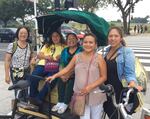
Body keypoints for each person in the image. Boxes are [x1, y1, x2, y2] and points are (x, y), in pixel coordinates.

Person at [46, 33, 107, 119]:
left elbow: (104, 77)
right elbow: (66, 69)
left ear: (95, 44)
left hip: (95, 95)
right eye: (85, 42)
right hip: (80, 95)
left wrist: (90, 87)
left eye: (91, 42)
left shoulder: (99, 58)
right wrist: (55, 76)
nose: (88, 44)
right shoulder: (77, 57)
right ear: (82, 43)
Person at [103, 26, 139, 119]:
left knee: (118, 115)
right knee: (110, 113)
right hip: (107, 90)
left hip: (119, 92)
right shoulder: (106, 51)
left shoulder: (127, 52)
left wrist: (132, 83)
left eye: (116, 36)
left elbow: (130, 73)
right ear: (108, 38)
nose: (113, 38)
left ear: (121, 38)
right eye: (111, 36)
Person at [29, 31, 65, 104]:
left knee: (50, 80)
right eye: (53, 36)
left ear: (60, 37)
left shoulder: (64, 46)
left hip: (54, 67)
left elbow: (67, 56)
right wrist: (46, 57)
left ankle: (39, 98)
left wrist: (61, 57)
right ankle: (32, 97)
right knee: (33, 77)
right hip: (42, 65)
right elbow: (39, 55)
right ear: (51, 38)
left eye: (57, 36)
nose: (55, 38)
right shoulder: (47, 45)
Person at [51, 33, 83, 114]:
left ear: (77, 40)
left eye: (73, 38)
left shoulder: (81, 50)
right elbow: (61, 64)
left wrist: (69, 74)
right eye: (69, 39)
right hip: (65, 71)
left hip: (77, 72)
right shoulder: (64, 50)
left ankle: (65, 103)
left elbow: (79, 65)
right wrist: (61, 74)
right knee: (60, 79)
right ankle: (60, 101)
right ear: (66, 40)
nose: (71, 40)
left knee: (71, 81)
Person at [4, 26, 34, 100]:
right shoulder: (12, 45)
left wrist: (33, 62)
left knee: (26, 91)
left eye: (25, 33)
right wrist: (7, 75)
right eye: (21, 33)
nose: (23, 35)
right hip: (15, 71)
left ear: (28, 35)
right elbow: (7, 60)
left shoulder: (30, 46)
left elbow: (32, 59)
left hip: (27, 71)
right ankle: (18, 108)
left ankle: (24, 107)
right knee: (18, 92)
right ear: (17, 34)